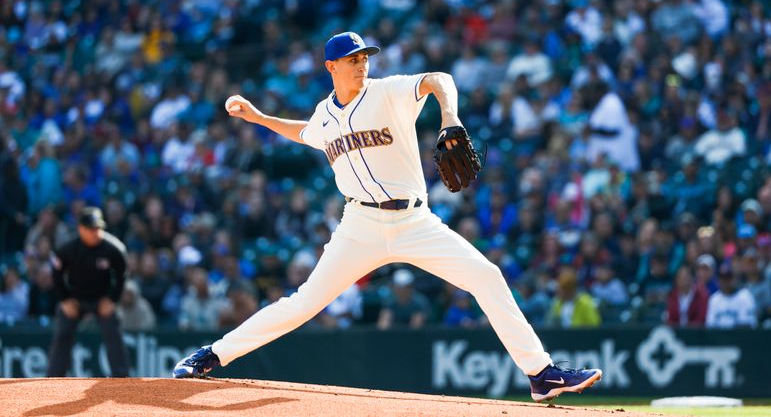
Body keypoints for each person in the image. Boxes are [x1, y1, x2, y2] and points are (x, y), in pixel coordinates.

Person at [173, 31, 602, 401]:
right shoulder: (326, 115)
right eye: (352, 60)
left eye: (364, 58)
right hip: (359, 226)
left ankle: (541, 374)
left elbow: (439, 79)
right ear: (331, 67)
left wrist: (449, 116)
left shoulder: (387, 91)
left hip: (415, 222)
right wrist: (260, 118)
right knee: (302, 303)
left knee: (486, 276)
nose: (361, 65)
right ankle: (212, 355)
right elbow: (304, 132)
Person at [47, 207, 130, 377]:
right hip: (75, 299)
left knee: (113, 333)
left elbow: (122, 275)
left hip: (102, 299)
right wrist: (65, 299)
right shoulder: (67, 249)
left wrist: (112, 299)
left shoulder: (114, 249)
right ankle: (53, 377)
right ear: (80, 229)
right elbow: (56, 274)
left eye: (98, 228)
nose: (95, 232)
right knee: (62, 333)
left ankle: (122, 378)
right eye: (91, 229)